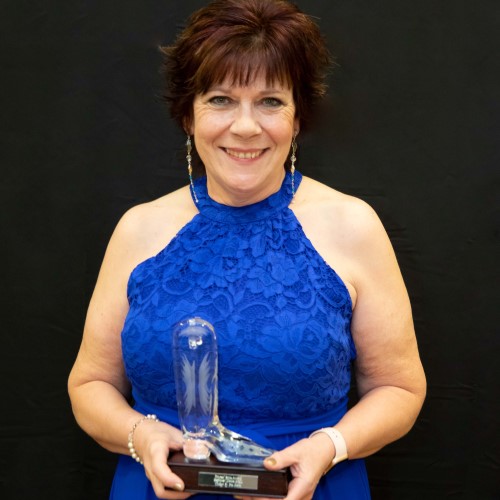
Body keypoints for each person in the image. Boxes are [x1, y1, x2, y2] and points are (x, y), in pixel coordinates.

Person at [68, 1, 426, 499]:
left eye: (270, 101)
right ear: (188, 115)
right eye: (220, 99)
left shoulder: (353, 227)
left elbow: (399, 388)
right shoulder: (139, 229)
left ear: (297, 119)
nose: (245, 127)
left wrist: (329, 446)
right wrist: (140, 435)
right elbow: (89, 385)